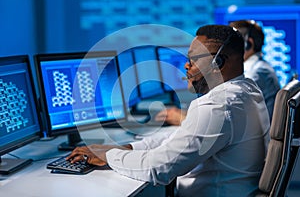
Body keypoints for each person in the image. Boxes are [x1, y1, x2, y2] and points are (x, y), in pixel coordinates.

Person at [67, 25, 270, 196]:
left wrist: (108, 156)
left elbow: (159, 168)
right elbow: (178, 140)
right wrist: (128, 148)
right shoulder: (247, 90)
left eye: (193, 60)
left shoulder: (218, 106)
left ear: (218, 62)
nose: (186, 65)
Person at [229, 20, 280, 121]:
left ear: (249, 44)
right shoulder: (258, 67)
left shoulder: (257, 72)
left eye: (232, 43)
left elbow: (232, 104)